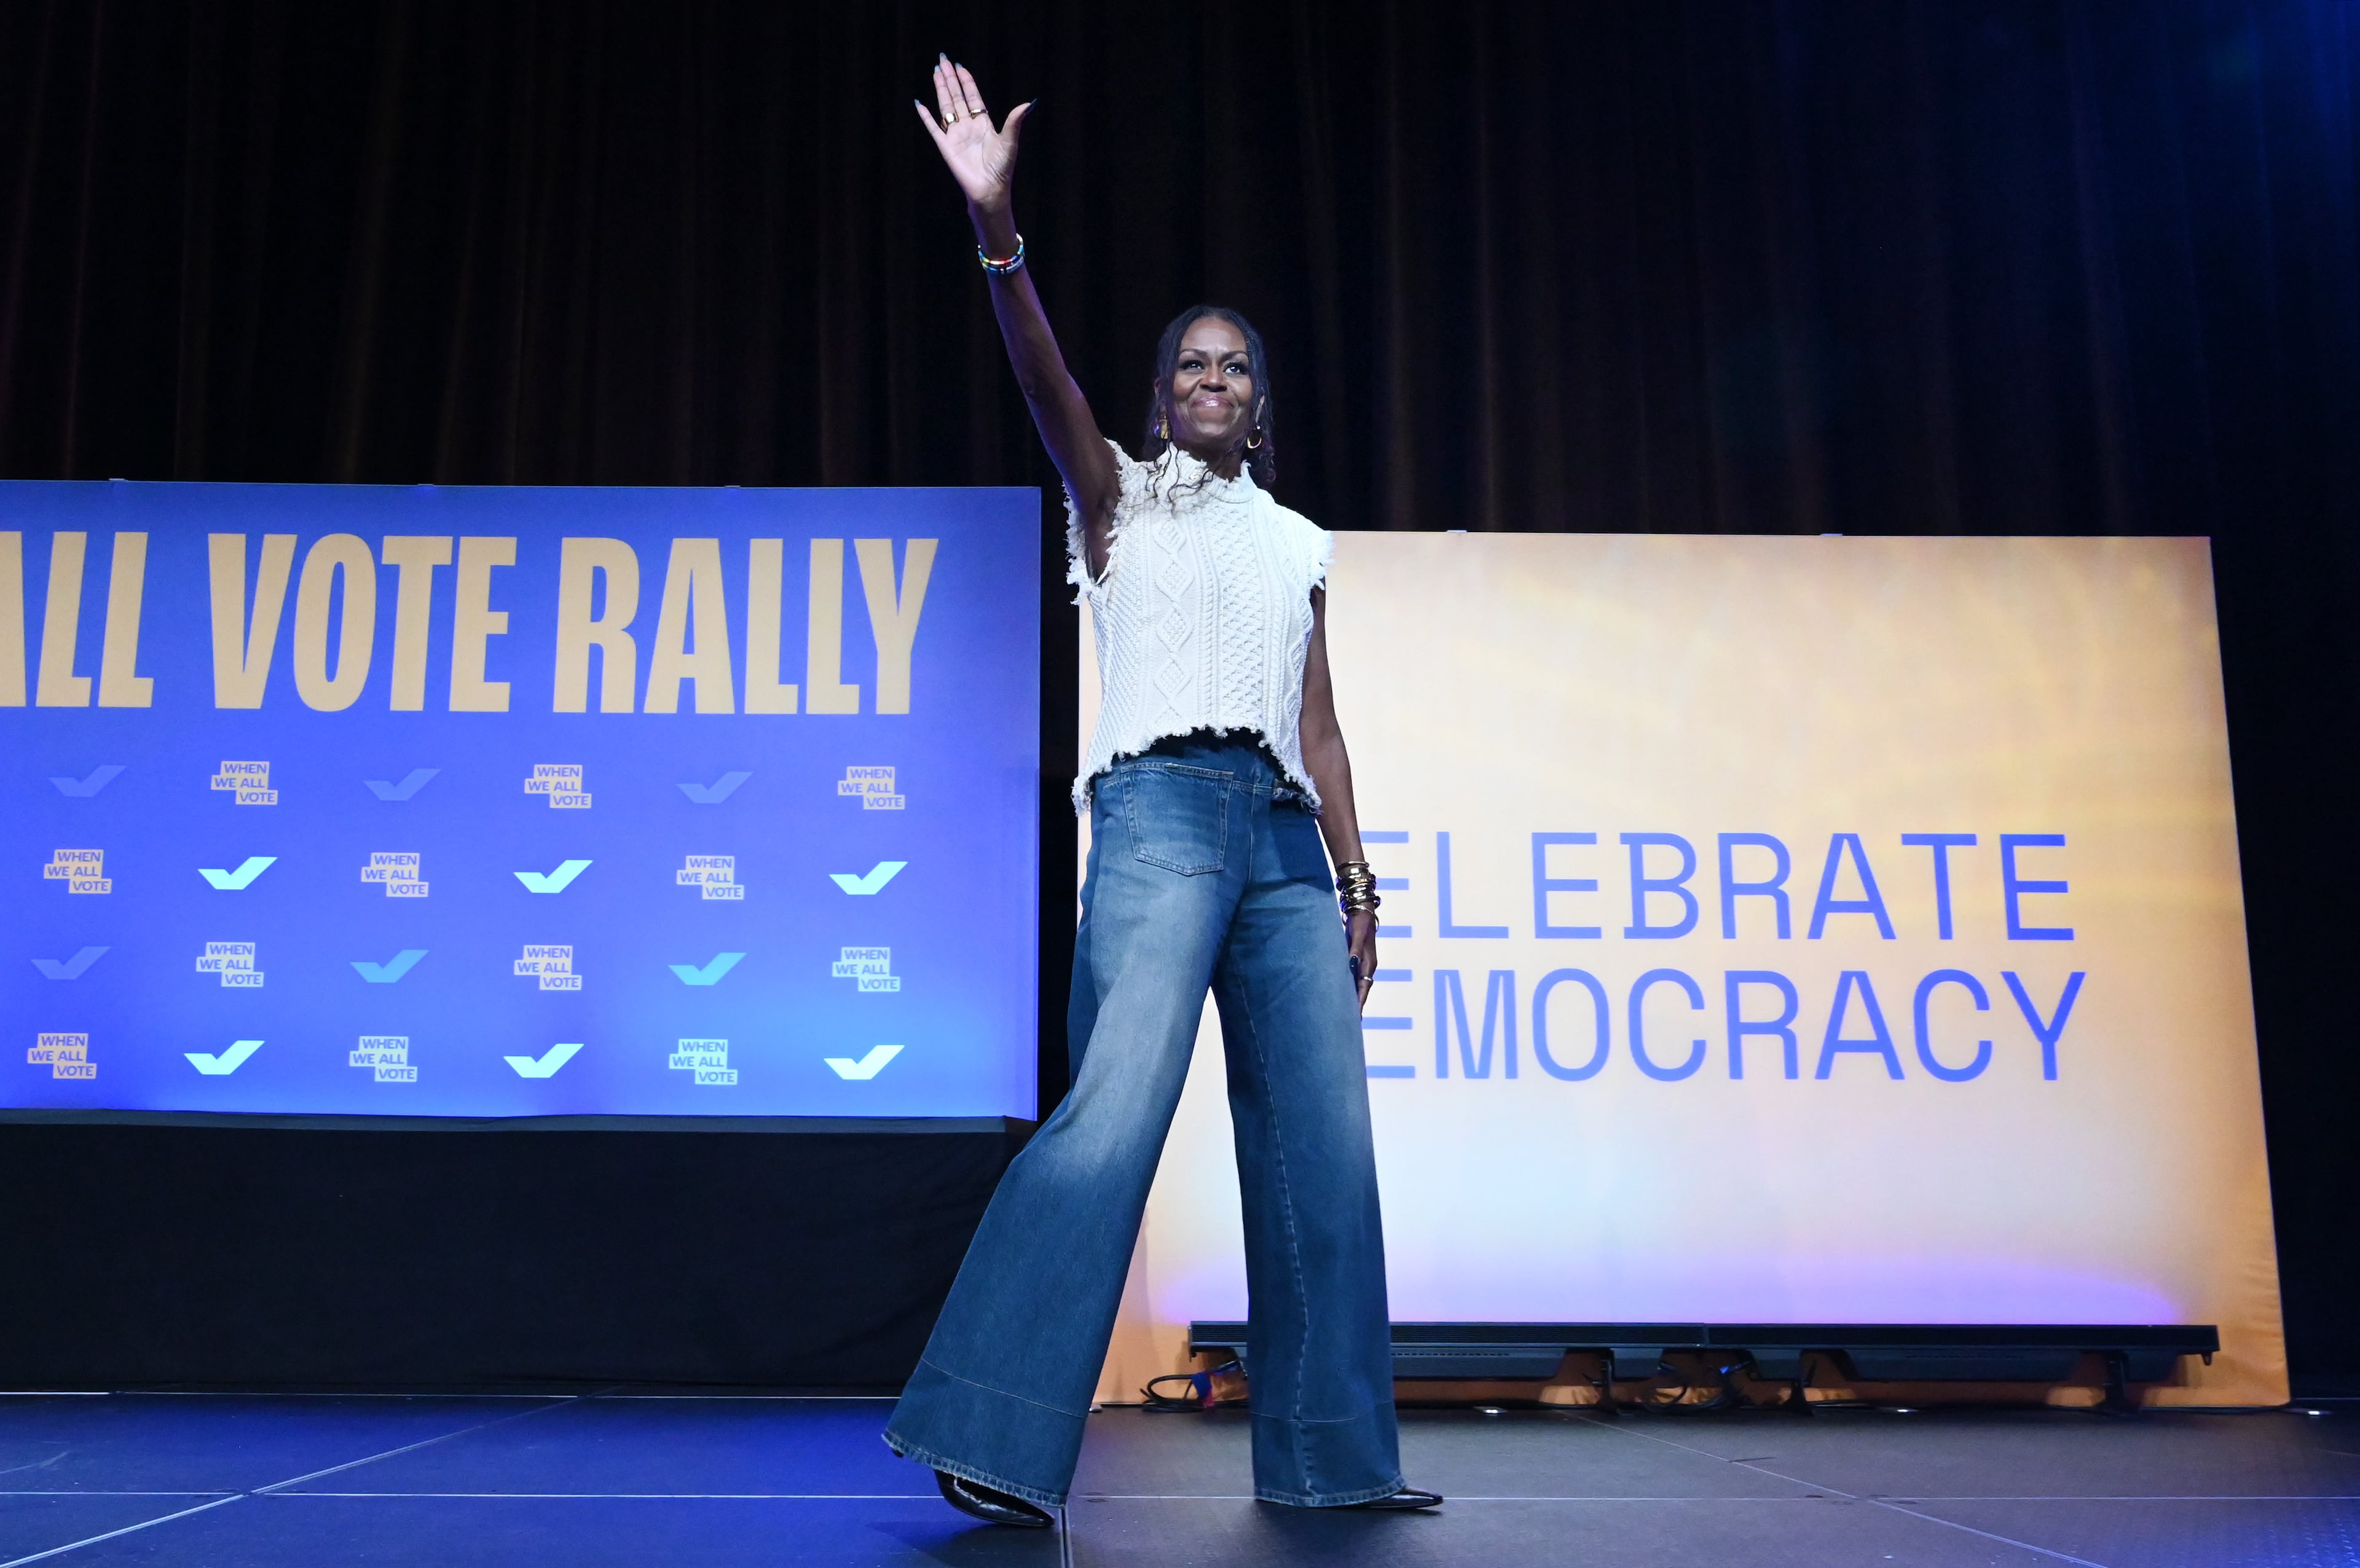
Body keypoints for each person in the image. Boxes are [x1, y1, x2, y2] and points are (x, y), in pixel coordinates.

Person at [883, 55, 1442, 1530]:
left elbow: (1319, 732)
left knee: (1324, 1144)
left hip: (1278, 843)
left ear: (1261, 403)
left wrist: (1361, 881)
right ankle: (991, 1429)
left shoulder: (1304, 542)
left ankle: (1334, 1458)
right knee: (1114, 1114)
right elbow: (1035, 370)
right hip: (1156, 823)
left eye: (1233, 367)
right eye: (1190, 365)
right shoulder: (1116, 497)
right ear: (1161, 396)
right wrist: (998, 230)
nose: (1212, 380)